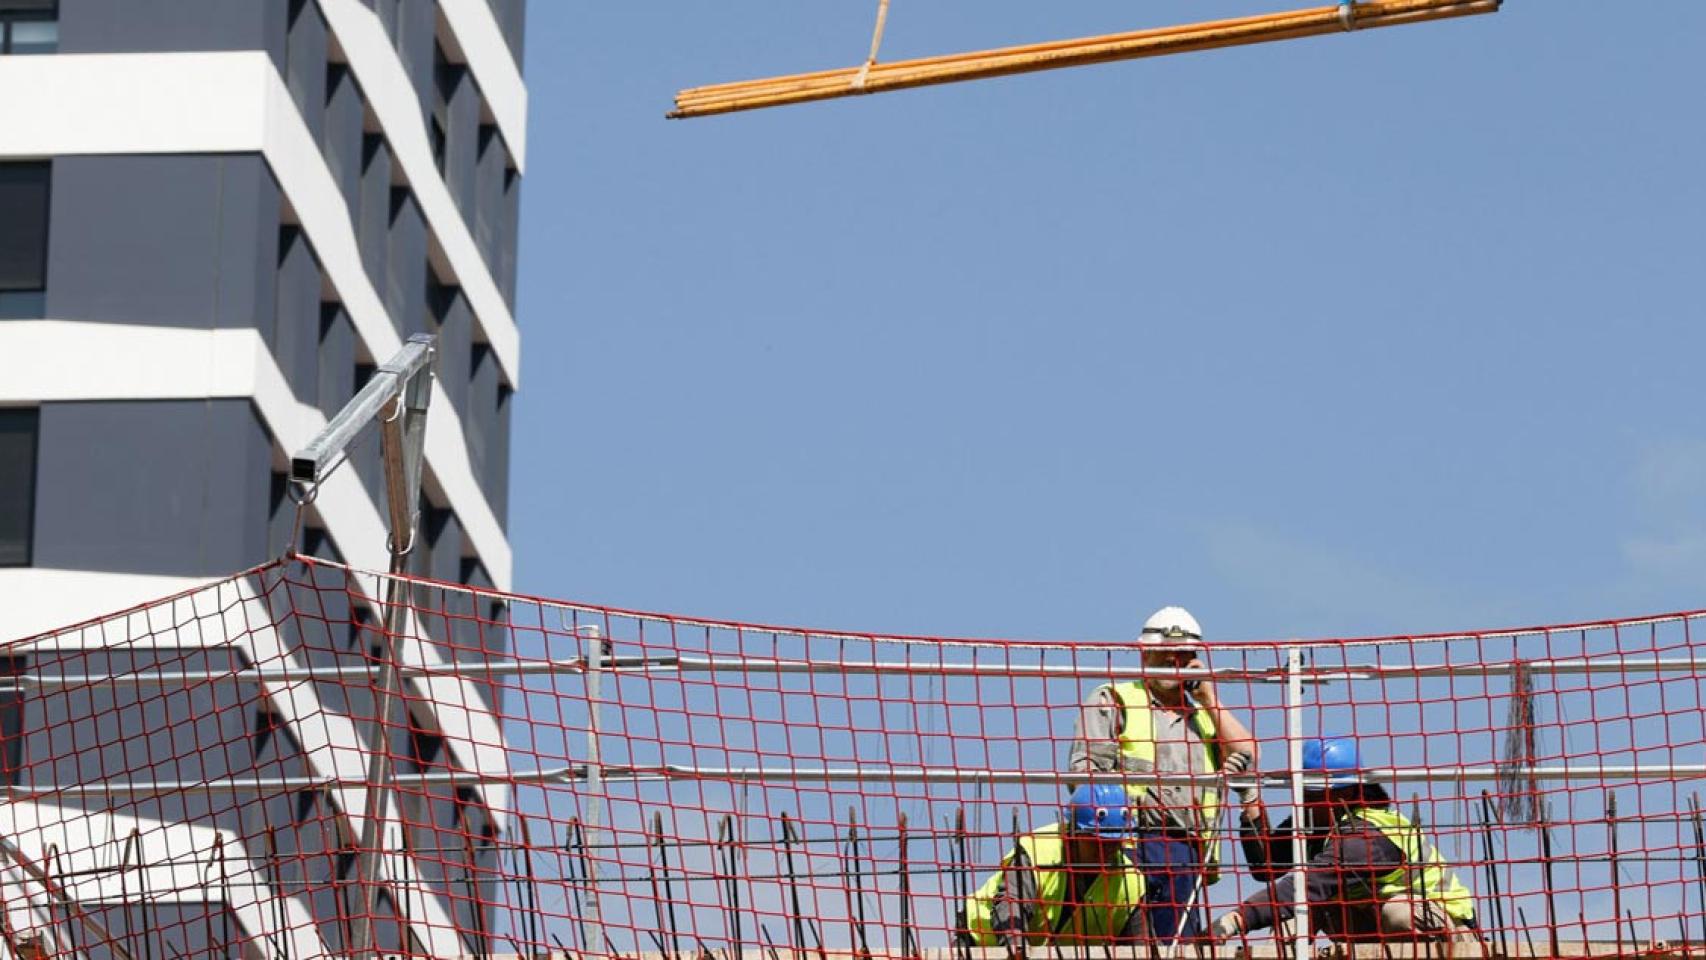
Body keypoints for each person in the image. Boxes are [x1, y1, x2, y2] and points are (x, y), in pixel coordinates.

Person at [1067, 605, 1259, 941]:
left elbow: (1248, 754)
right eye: (1166, 654)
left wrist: (1210, 699)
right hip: (1126, 845)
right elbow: (1084, 777)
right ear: (1145, 654)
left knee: (1178, 945)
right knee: (1130, 944)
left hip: (1185, 851)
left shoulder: (1203, 716)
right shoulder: (1115, 699)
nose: (1175, 662)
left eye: (1184, 655)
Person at [1208, 737, 1481, 953]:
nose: (1304, 800)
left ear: (1347, 792)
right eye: (1302, 791)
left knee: (1397, 913)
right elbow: (1267, 867)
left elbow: (1309, 884)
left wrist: (1236, 920)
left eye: (1313, 793)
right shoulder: (1316, 820)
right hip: (1372, 928)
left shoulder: (1367, 835)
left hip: (1446, 935)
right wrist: (1249, 798)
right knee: (1291, 922)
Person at [962, 783, 1149, 950]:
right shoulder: (1039, 850)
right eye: (1097, 842)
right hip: (980, 942)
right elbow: (1010, 905)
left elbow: (1140, 947)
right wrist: (1016, 948)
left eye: (1114, 843)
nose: (1106, 850)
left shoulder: (1129, 881)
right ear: (1074, 832)